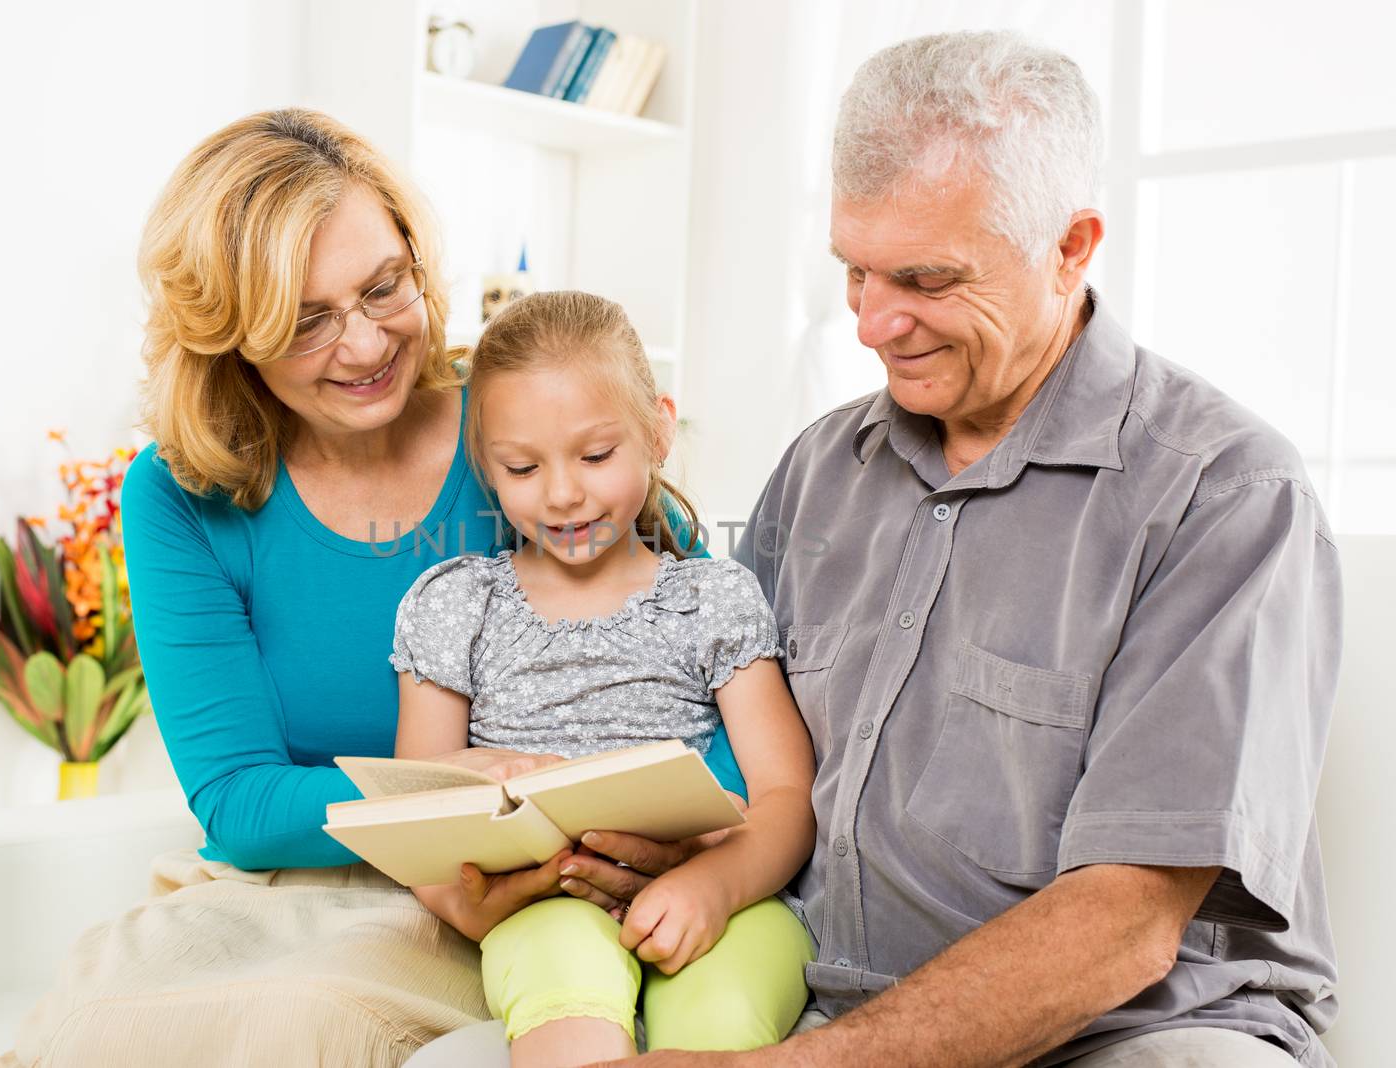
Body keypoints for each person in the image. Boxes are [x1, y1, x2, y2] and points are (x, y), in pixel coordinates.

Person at [416, 29, 1341, 1068]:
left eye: (926, 278)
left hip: (1126, 1032)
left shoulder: (1220, 492)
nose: (871, 322)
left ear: (1070, 248)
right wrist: (598, 855)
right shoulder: (822, 467)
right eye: (853, 271)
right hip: (813, 988)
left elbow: (1125, 924)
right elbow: (716, 742)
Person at [0, 109, 745, 1068]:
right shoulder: (181, 491)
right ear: (233, 336)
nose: (363, 345)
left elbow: (725, 689)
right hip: (290, 886)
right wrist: (436, 796)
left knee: (302, 1024)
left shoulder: (528, 428)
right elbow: (240, 802)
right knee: (83, 1031)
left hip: (537, 888)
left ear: (415, 262)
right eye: (306, 322)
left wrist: (665, 845)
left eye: (383, 288)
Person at [388, 291, 818, 1066]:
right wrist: (480, 777)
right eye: (523, 467)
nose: (562, 493)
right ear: (487, 465)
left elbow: (786, 795)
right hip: (545, 903)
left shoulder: (710, 598)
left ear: (657, 429)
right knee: (566, 993)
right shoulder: (456, 604)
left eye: (595, 456)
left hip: (717, 886)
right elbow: (420, 805)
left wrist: (717, 885)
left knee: (723, 1010)